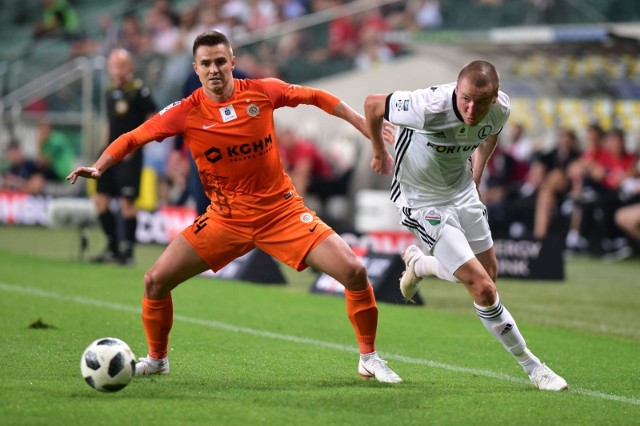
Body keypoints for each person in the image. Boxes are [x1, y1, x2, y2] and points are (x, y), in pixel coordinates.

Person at [67, 30, 402, 383]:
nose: (214, 69)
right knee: (154, 282)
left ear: (232, 63)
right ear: (196, 68)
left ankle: (369, 358)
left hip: (281, 213)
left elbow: (317, 96)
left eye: (220, 62)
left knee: (354, 272)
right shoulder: (186, 111)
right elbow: (134, 136)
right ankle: (156, 359)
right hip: (224, 220)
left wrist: (364, 125)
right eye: (206, 64)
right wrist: (100, 166)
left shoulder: (261, 91)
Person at [363, 60, 568, 391]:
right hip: (421, 200)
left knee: (490, 275)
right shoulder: (426, 107)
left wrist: (477, 173)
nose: (472, 110)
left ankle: (420, 264)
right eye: (466, 99)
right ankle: (535, 368)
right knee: (483, 288)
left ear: (495, 96)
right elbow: (373, 105)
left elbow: (489, 136)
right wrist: (379, 152)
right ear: (456, 91)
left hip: (462, 191)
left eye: (482, 102)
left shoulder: (500, 109)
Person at [92, 48, 157, 264]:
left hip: (130, 156)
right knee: (100, 200)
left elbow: (153, 121)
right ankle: (112, 246)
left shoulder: (140, 91)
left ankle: (128, 252)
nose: (117, 69)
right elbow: (109, 123)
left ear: (130, 66)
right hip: (110, 155)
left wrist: (137, 147)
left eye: (121, 65)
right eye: (114, 65)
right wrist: (102, 149)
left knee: (127, 203)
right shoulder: (110, 91)